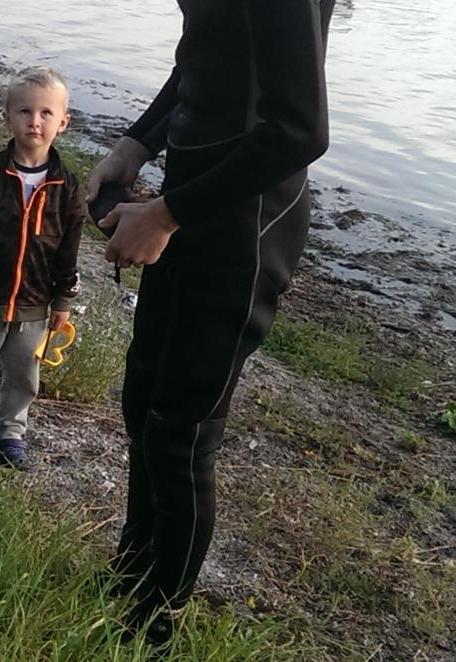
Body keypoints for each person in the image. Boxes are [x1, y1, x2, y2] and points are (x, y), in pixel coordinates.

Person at [85, 0, 336, 644]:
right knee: (143, 402)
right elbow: (203, 55)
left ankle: (155, 628)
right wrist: (136, 144)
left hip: (246, 223)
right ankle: (129, 578)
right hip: (192, 191)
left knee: (181, 431)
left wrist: (166, 216)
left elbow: (299, 129)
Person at [0, 67, 86, 471]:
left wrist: (62, 298)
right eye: (25, 111)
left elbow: (70, 247)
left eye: (46, 113)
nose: (35, 121)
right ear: (8, 116)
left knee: (25, 374)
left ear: (63, 122)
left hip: (35, 303)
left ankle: (11, 433)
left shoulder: (67, 185)